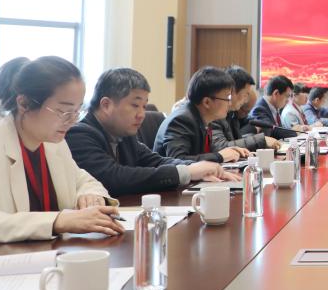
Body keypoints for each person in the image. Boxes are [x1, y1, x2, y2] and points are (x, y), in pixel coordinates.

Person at [0, 57, 122, 257]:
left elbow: (83, 181)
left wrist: (90, 196)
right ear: (24, 103)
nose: (72, 121)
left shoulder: (53, 144)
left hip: (47, 259)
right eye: (63, 111)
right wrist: (57, 221)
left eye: (77, 111)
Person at [67, 68, 239, 197]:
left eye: (144, 106)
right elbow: (114, 177)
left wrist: (199, 168)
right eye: (135, 105)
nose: (141, 114)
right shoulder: (79, 135)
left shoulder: (123, 134)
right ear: (106, 105)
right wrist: (187, 172)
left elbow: (156, 161)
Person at [153, 67, 249, 163]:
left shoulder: (205, 118)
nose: (230, 103)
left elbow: (202, 154)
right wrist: (219, 156)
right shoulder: (181, 120)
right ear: (207, 102)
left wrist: (229, 151)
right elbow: (178, 160)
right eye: (227, 98)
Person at [211, 66, 278, 152]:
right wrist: (261, 140)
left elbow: (235, 141)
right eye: (246, 94)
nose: (246, 100)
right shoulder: (216, 112)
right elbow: (221, 147)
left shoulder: (232, 114)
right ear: (232, 91)